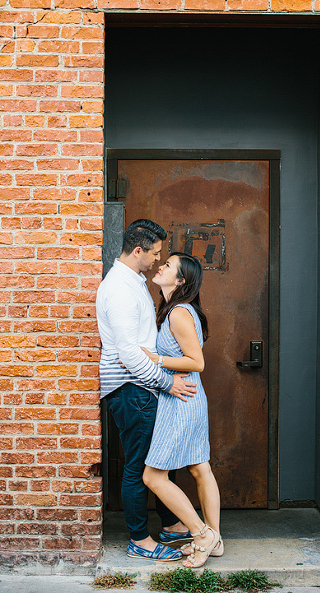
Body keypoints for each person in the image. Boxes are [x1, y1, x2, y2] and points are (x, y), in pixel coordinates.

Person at [96, 219, 197, 562]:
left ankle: (170, 524)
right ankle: (140, 539)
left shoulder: (133, 281)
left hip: (140, 388)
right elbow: (127, 354)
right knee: (139, 467)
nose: (158, 259)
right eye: (155, 253)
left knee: (154, 463)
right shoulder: (120, 289)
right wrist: (166, 380)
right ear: (137, 251)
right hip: (131, 389)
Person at [139, 252, 223, 568]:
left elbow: (196, 362)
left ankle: (201, 534)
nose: (161, 266)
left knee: (153, 477)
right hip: (188, 399)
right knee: (200, 469)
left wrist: (154, 359)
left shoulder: (178, 313)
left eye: (168, 265)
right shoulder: (175, 310)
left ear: (181, 280)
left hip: (181, 402)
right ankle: (214, 539)